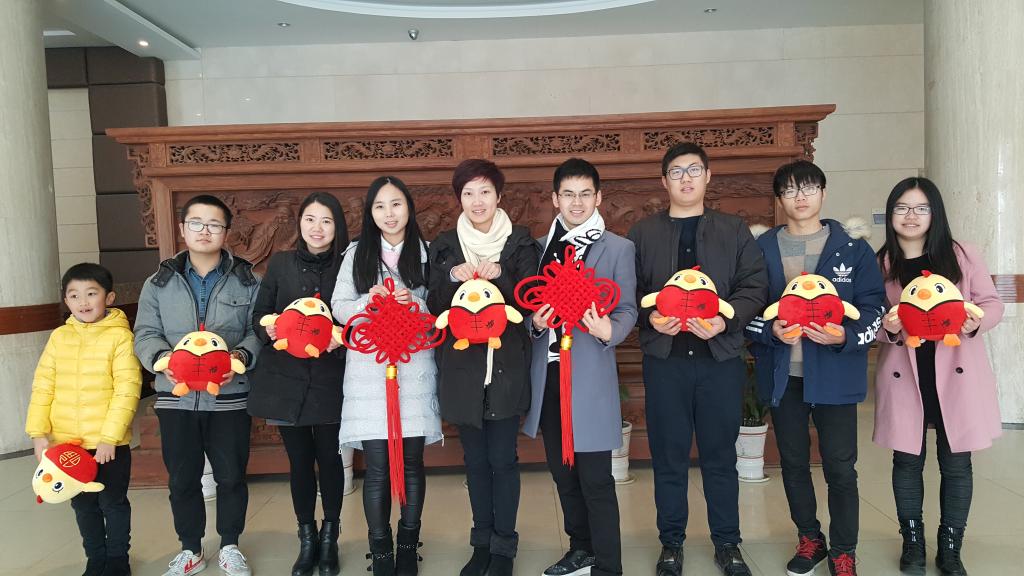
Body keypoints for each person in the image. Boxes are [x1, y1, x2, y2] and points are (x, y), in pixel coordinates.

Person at [628, 142, 767, 576]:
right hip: (665, 360)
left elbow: (755, 286)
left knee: (719, 457)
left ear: (708, 176)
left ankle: (728, 543)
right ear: (663, 181)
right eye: (676, 171)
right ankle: (671, 544)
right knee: (668, 457)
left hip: (718, 360)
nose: (685, 178)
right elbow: (630, 291)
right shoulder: (643, 233)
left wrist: (726, 321)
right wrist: (651, 318)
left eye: (693, 170)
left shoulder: (733, 229)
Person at [745, 160, 885, 576]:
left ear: (823, 193)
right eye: (790, 190)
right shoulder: (762, 248)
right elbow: (746, 308)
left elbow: (874, 307)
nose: (800, 197)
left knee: (840, 467)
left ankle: (844, 550)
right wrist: (770, 330)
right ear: (779, 198)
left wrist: (845, 336)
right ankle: (810, 538)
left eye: (808, 187)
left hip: (835, 376)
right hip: (783, 376)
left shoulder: (852, 248)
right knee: (792, 464)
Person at [873, 177, 1004, 576]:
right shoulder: (882, 262)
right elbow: (870, 321)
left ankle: (950, 547)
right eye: (902, 208)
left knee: (956, 463)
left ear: (935, 213)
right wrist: (888, 327)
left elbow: (992, 304)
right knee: (906, 461)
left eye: (920, 208)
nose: (910, 216)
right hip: (905, 373)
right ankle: (912, 543)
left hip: (956, 373)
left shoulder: (961, 255)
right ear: (891, 214)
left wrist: (973, 322)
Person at [133, 194, 261, 576]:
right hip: (176, 398)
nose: (205, 231)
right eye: (196, 223)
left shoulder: (248, 280)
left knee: (231, 475)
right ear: (182, 228)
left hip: (229, 396)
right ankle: (190, 548)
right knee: (182, 478)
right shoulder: (158, 283)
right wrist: (163, 361)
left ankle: (230, 545)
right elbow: (145, 333)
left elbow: (258, 331)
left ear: (226, 231)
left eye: (214, 225)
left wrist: (239, 358)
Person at [522, 158, 636, 576]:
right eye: (568, 194)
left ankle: (608, 565)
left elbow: (627, 309)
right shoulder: (537, 248)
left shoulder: (618, 248)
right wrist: (535, 324)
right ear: (555, 199)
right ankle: (581, 549)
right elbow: (527, 307)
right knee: (563, 473)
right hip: (549, 376)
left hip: (589, 377)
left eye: (585, 194)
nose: (576, 202)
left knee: (596, 478)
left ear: (598, 197)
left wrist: (609, 330)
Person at [427, 159, 539, 576]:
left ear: (499, 196)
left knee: (503, 461)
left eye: (485, 192)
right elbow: (434, 306)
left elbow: (529, 301)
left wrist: (502, 275)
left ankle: (504, 548)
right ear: (459, 198)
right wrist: (452, 277)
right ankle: (481, 544)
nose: (477, 201)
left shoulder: (520, 242)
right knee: (474, 463)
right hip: (463, 372)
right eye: (468, 193)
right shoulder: (444, 246)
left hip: (506, 369)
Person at [332, 176, 438, 576]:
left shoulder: (427, 253)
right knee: (376, 465)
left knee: (411, 462)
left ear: (409, 207)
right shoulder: (355, 254)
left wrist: (416, 303)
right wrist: (367, 302)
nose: (389, 214)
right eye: (380, 206)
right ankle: (380, 549)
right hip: (369, 371)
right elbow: (339, 305)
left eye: (396, 204)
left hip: (414, 369)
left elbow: (442, 309)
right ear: (370, 213)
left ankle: (408, 545)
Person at [248, 192, 349, 576]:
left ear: (337, 226)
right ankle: (307, 538)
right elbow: (260, 315)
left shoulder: (348, 264)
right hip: (286, 379)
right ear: (300, 223)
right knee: (300, 462)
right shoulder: (281, 263)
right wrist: (270, 328)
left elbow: (360, 317)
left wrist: (343, 337)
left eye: (326, 220)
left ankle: (330, 537)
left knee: (331, 460)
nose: (317, 228)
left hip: (330, 379)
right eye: (310, 219)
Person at [26, 263, 141, 576]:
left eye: (91, 293)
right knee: (82, 504)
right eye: (74, 295)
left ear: (109, 297)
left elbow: (127, 390)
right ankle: (95, 558)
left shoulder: (120, 338)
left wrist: (109, 438)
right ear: (66, 301)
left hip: (108, 445)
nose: (83, 302)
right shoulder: (59, 337)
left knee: (112, 503)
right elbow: (43, 386)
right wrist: (38, 433)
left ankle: (117, 560)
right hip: (67, 445)